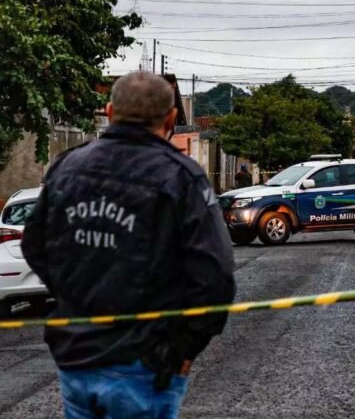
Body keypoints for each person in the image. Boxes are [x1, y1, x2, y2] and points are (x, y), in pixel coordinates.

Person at [21, 72, 236, 419]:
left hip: (75, 356)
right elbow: (216, 276)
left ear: (108, 111)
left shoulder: (66, 168)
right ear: (169, 119)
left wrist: (73, 296)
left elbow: (34, 246)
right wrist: (183, 350)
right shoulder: (181, 177)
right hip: (144, 364)